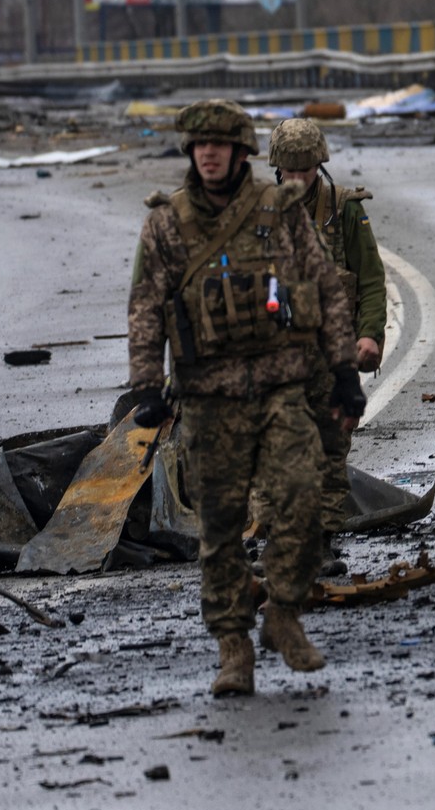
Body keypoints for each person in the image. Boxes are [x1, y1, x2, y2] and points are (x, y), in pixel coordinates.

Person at [126, 99, 365, 698]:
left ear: (242, 151)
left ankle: (283, 611)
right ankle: (233, 645)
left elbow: (326, 290)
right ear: (190, 152)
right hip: (210, 398)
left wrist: (343, 371)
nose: (209, 154)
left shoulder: (279, 210)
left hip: (281, 386)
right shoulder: (166, 223)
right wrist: (145, 385)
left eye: (221, 145)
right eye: (200, 145)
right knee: (221, 528)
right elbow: (146, 307)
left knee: (303, 499)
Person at [264, 118, 389, 577]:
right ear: (277, 168)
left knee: (330, 449)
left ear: (320, 164)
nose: (298, 178)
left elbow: (370, 278)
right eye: (290, 169)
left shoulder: (345, 211)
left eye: (306, 169)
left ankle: (321, 543)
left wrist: (370, 333)